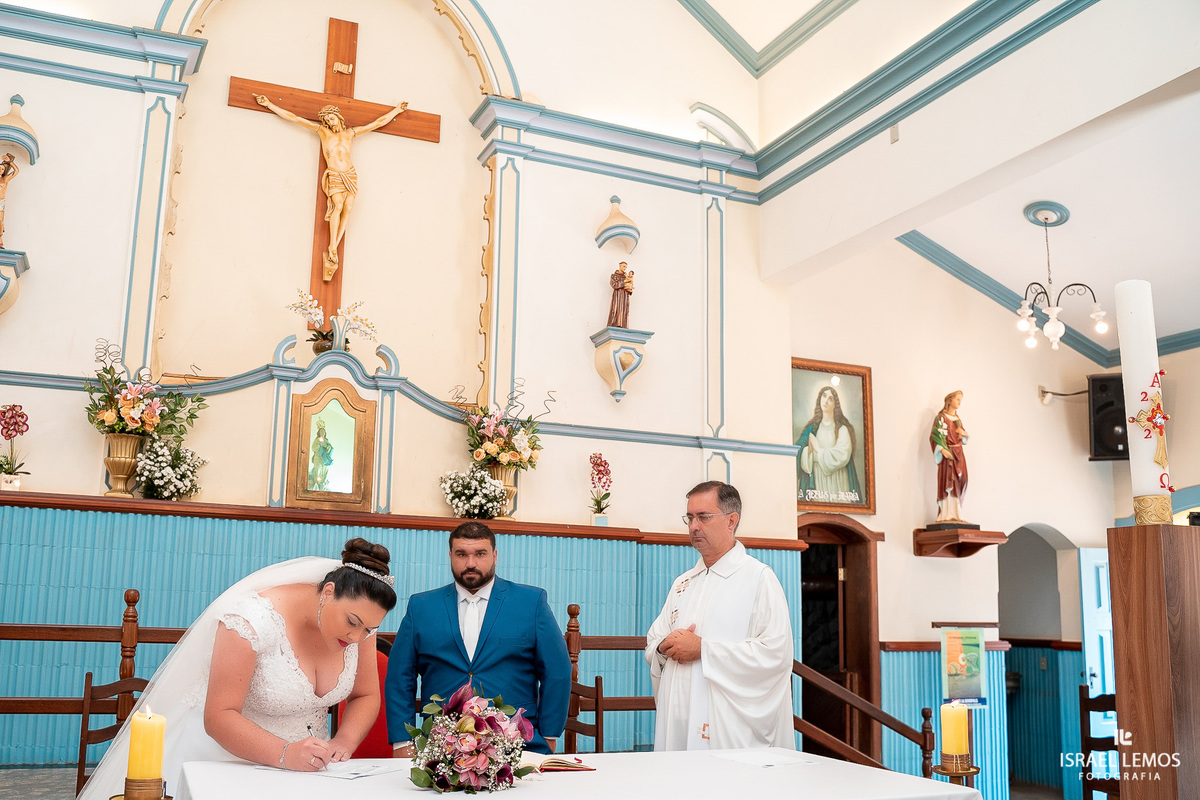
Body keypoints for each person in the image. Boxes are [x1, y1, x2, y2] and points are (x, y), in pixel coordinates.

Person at [79, 538, 398, 799]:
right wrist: (285, 753)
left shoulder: (360, 628)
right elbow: (219, 716)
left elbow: (366, 695)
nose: (357, 637)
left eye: (369, 629)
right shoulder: (250, 621)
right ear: (328, 592)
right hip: (222, 756)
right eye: (352, 623)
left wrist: (343, 743)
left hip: (307, 770)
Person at [385, 521, 571, 756]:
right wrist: (402, 741)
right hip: (440, 746)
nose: (471, 563)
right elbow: (400, 676)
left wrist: (550, 734)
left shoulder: (531, 602)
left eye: (480, 554)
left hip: (517, 744)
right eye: (461, 554)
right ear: (450, 555)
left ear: (495, 556)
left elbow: (557, 671)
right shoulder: (421, 606)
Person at [645, 481, 795, 750]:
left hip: (728, 728)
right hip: (679, 720)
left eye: (703, 517)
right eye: (690, 518)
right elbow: (655, 639)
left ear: (731, 521)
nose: (694, 526)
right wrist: (663, 647)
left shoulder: (758, 578)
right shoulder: (683, 583)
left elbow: (776, 654)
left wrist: (703, 649)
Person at [253, 95, 409, 276]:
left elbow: (377, 123)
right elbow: (295, 118)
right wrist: (270, 104)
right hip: (334, 173)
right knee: (338, 205)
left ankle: (334, 245)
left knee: (348, 208)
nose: (329, 121)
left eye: (331, 118)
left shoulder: (350, 133)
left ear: (338, 117)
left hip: (349, 173)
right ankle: (332, 246)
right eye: (327, 120)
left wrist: (397, 110)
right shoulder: (323, 132)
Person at [796, 385, 861, 504]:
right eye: (824, 396)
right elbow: (798, 453)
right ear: (819, 399)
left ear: (835, 405)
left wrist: (818, 450)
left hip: (838, 482)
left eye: (830, 399)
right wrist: (808, 452)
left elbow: (841, 455)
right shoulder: (812, 429)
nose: (826, 401)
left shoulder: (842, 430)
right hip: (818, 482)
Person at [930, 390, 969, 522]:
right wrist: (942, 450)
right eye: (957, 399)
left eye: (960, 400)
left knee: (962, 480)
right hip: (948, 456)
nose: (959, 402)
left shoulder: (958, 420)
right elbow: (934, 437)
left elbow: (964, 438)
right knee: (948, 481)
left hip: (959, 455)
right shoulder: (941, 418)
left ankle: (957, 512)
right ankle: (946, 513)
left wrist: (964, 435)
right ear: (950, 400)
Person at [308, 418, 333, 491]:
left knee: (324, 471)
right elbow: (314, 448)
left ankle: (322, 484)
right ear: (319, 433)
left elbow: (330, 448)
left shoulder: (326, 441)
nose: (322, 433)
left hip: (324, 459)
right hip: (318, 458)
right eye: (321, 431)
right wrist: (320, 445)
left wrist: (328, 447)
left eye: (323, 431)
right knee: (318, 470)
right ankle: (317, 483)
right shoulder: (317, 440)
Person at [0, 152, 19, 248]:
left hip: (0, 201)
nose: (0, 170)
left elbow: (16, 171)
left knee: (0, 221)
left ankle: (0, 241)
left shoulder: (5, 179)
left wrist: (9, 162)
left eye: (2, 169)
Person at [606, 261, 633, 327]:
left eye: (626, 267)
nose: (625, 268)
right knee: (616, 309)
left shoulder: (626, 276)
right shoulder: (614, 276)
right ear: (620, 266)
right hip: (617, 295)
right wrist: (623, 282)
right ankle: (615, 323)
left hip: (625, 296)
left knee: (624, 310)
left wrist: (630, 288)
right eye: (623, 266)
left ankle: (622, 324)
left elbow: (629, 286)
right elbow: (614, 285)